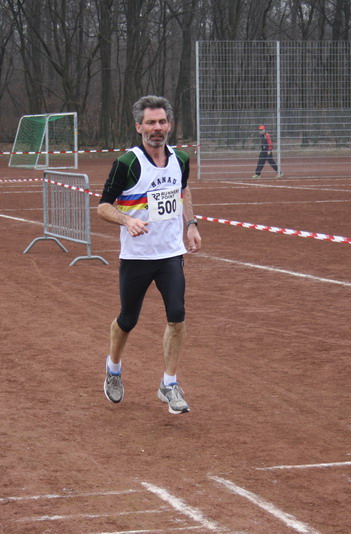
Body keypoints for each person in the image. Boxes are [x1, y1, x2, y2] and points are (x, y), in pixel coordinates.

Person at [97, 95, 202, 415]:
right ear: (139, 127)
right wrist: (127, 220)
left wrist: (191, 225)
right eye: (151, 122)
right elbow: (103, 206)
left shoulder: (180, 158)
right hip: (136, 256)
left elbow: (183, 190)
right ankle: (113, 368)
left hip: (170, 253)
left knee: (177, 315)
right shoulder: (127, 163)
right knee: (128, 319)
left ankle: (169, 383)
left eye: (162, 122)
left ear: (169, 125)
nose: (157, 128)